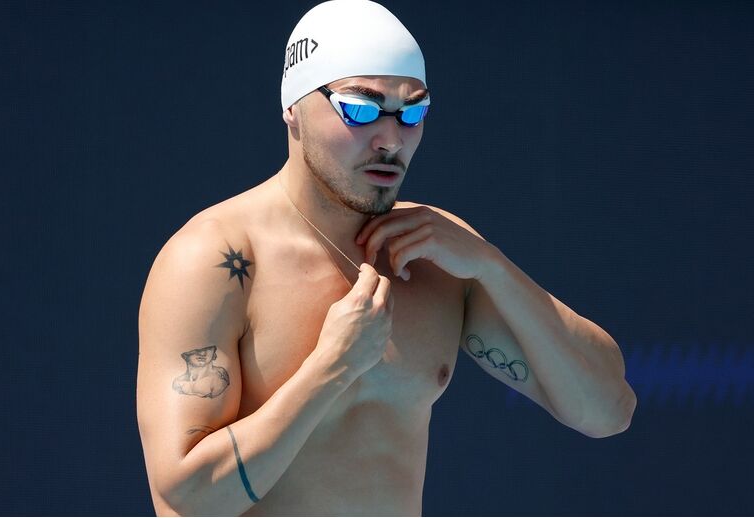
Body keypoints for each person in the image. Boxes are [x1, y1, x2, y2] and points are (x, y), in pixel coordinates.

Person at [135, 0, 637, 515]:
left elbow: (608, 410)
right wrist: (331, 368)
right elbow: (187, 500)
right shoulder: (216, 261)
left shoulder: (437, 254)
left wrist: (493, 267)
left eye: (412, 111)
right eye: (361, 109)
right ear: (293, 106)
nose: (391, 139)